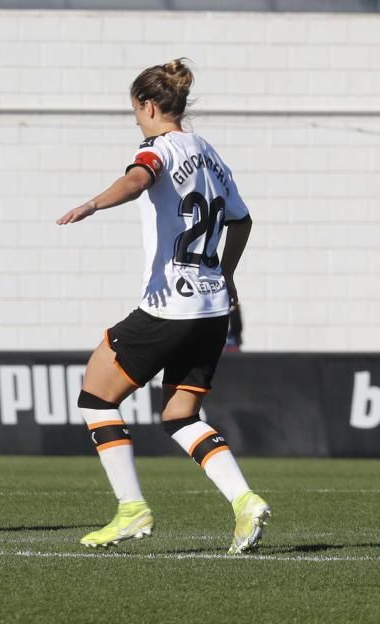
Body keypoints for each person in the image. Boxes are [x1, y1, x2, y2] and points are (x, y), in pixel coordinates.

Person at [56, 59, 269, 553]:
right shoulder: (211, 155)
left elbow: (137, 179)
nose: (136, 119)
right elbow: (242, 221)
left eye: (135, 110)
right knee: (180, 415)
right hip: (214, 310)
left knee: (96, 396)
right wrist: (226, 274)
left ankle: (131, 509)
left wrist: (92, 204)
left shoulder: (158, 149)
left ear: (149, 105)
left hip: (169, 307)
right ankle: (244, 502)